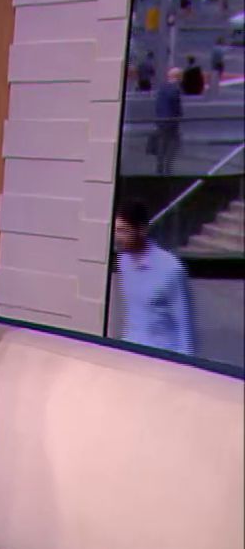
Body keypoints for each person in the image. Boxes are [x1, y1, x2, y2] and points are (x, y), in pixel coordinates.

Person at [112, 200, 194, 356]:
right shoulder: (124, 261)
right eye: (116, 230)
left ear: (142, 230)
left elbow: (184, 326)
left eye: (124, 231)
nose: (118, 237)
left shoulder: (171, 268)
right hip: (131, 351)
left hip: (161, 356)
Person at [152, 67, 183, 175]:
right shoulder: (175, 89)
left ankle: (159, 167)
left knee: (162, 144)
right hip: (171, 121)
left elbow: (158, 105)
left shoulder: (162, 88)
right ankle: (168, 168)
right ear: (178, 77)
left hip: (161, 120)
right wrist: (179, 116)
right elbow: (176, 106)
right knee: (172, 145)